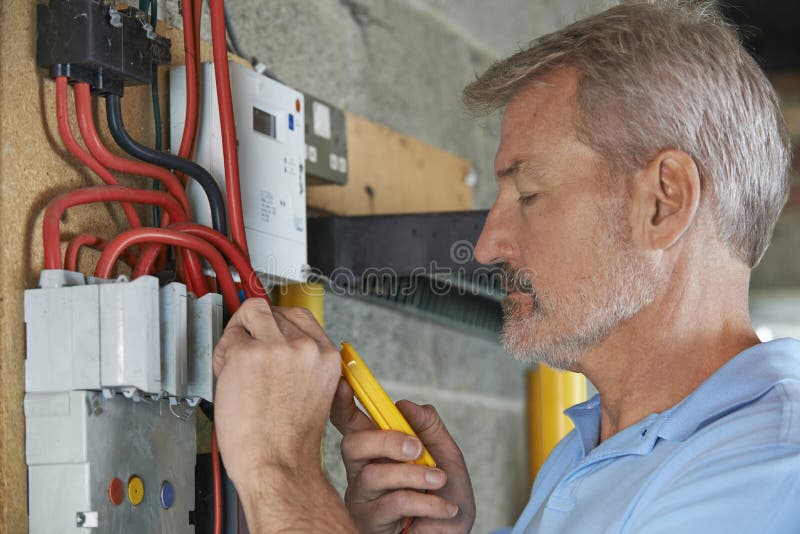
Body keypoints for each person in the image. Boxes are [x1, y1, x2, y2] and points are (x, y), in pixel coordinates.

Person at [212, 1, 799, 532]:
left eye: (530, 194)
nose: (488, 245)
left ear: (662, 202)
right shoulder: (598, 451)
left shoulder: (767, 474)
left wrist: (281, 472)